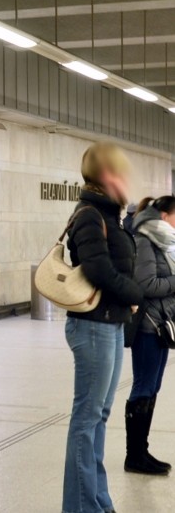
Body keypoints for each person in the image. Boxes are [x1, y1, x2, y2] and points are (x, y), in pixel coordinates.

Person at [62, 142, 143, 513]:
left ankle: (97, 501)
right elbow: (98, 269)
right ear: (106, 174)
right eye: (120, 171)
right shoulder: (89, 215)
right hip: (93, 327)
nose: (126, 178)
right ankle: (81, 506)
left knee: (98, 417)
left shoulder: (109, 214)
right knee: (86, 419)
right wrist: (134, 294)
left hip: (109, 323)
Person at [125, 196, 175, 476]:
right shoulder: (146, 240)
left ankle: (142, 451)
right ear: (164, 216)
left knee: (153, 386)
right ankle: (134, 456)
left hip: (162, 323)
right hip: (147, 324)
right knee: (143, 386)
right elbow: (146, 284)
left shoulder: (165, 241)